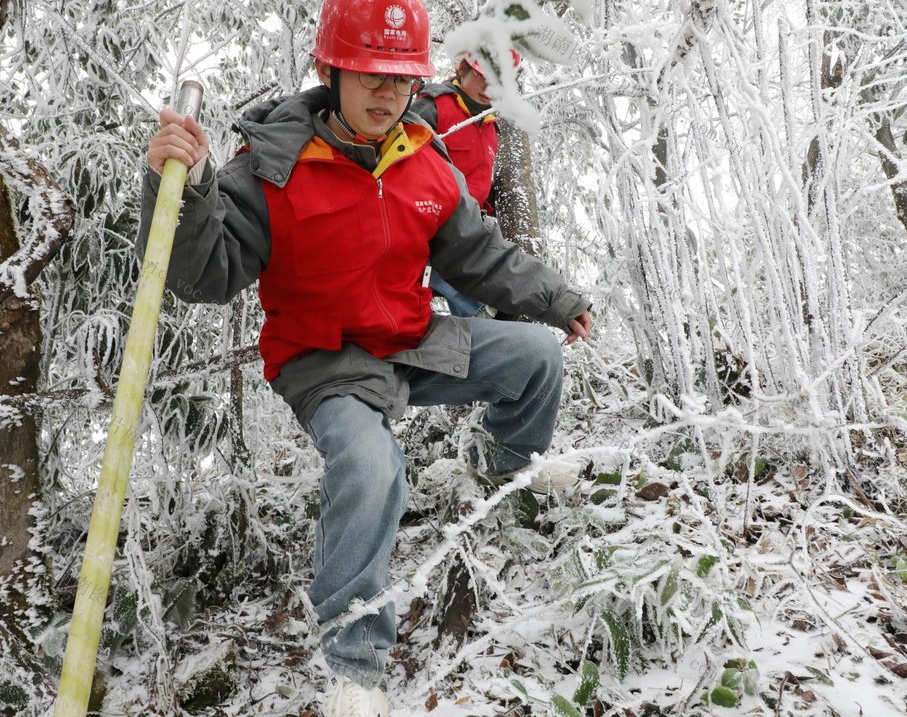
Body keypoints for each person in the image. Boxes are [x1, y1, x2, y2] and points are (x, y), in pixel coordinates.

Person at [137, 0, 592, 714]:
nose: (387, 93)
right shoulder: (273, 165)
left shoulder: (420, 153)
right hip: (325, 358)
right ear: (330, 70)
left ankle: (503, 475)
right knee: (373, 464)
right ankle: (354, 659)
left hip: (407, 339)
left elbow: (478, 253)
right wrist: (189, 190)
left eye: (401, 78)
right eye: (370, 75)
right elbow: (205, 275)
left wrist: (557, 300)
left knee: (537, 356)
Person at [412, 50, 522, 318]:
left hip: (470, 231)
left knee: (506, 306)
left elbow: (479, 181)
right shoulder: (433, 108)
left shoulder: (490, 124)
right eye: (482, 77)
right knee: (481, 311)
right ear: (463, 69)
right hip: (432, 233)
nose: (488, 88)